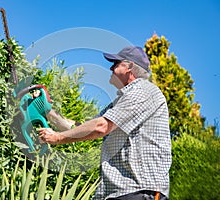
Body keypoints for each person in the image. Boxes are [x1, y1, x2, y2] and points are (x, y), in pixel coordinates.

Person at [39, 46, 172, 200]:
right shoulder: (120, 103)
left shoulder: (144, 90)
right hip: (120, 192)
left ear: (129, 67)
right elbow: (83, 127)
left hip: (139, 191)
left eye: (116, 63)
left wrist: (58, 138)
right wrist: (47, 111)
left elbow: (101, 127)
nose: (111, 67)